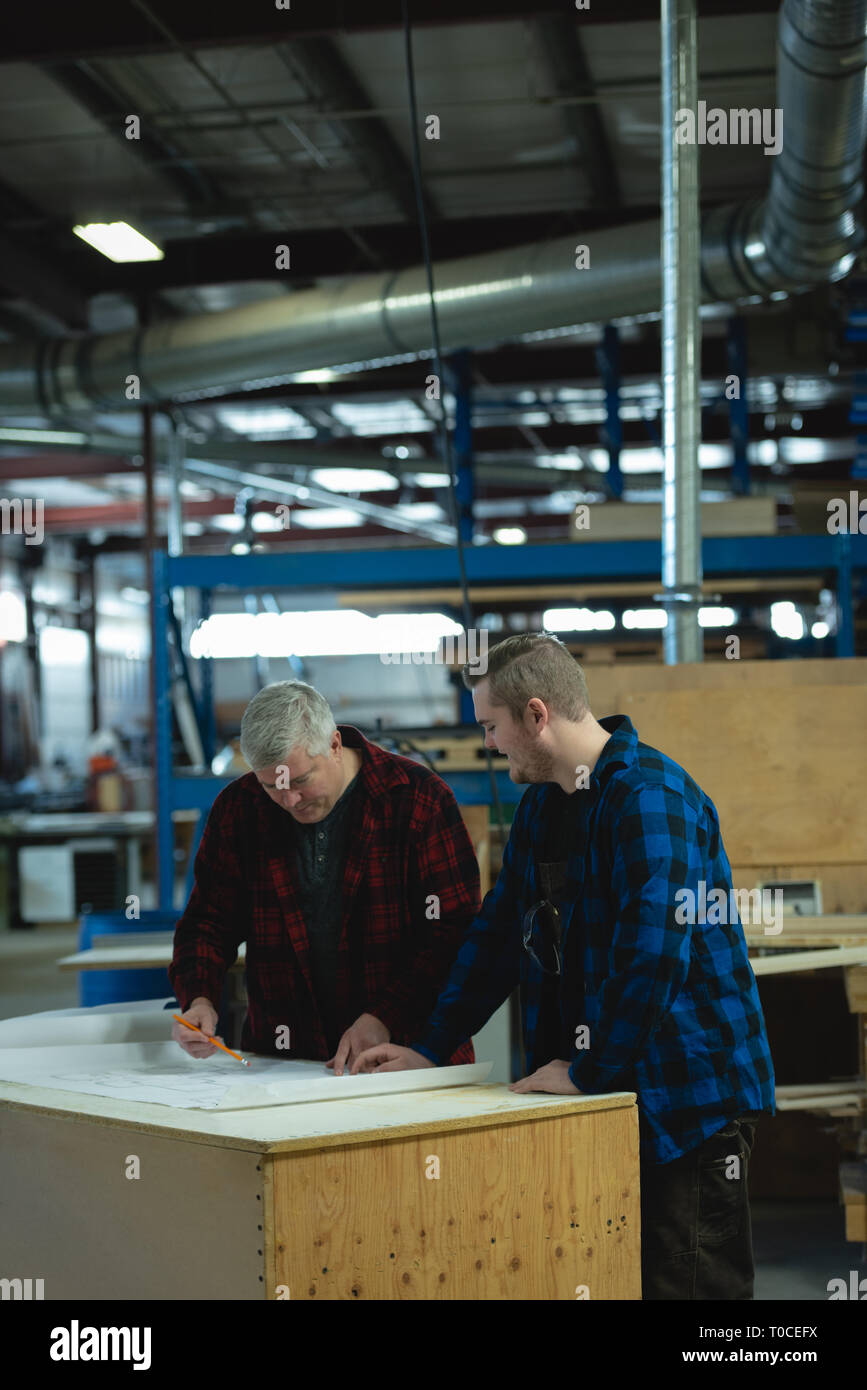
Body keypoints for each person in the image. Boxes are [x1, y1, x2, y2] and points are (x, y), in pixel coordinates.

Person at [351, 633, 775, 1300]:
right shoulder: (545, 805)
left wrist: (589, 1068)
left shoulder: (648, 798)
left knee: (689, 1285)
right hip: (608, 1087)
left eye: (490, 725)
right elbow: (495, 938)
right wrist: (430, 1049)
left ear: (536, 715)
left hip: (687, 1095)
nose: (489, 744)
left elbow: (652, 957)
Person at [168, 680, 479, 1074]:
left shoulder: (418, 800)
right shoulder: (238, 810)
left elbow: (454, 933)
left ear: (334, 745)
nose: (289, 801)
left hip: (407, 1058)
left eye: (300, 781)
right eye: (272, 786)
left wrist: (385, 1015)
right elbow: (207, 923)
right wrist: (199, 999)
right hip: (285, 1063)